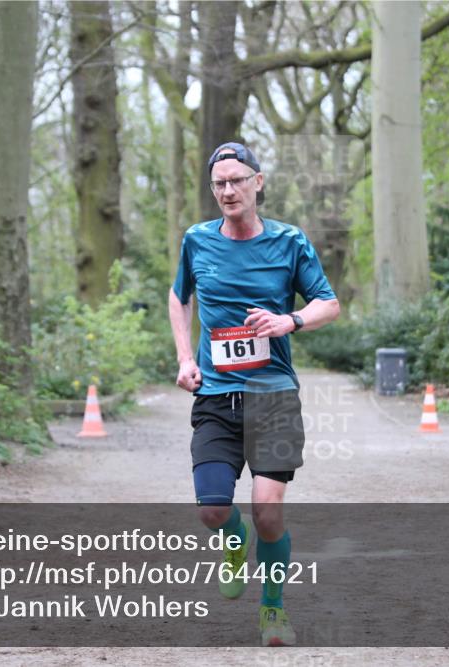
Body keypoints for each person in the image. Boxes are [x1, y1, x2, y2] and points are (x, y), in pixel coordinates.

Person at [168, 142, 340, 646]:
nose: (228, 190)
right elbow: (180, 298)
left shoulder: (289, 242)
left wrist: (289, 320)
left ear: (258, 182)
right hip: (217, 398)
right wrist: (184, 358)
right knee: (214, 512)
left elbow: (328, 304)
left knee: (268, 511)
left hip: (274, 396)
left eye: (237, 180)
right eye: (219, 183)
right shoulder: (197, 240)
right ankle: (234, 542)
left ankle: (272, 609)